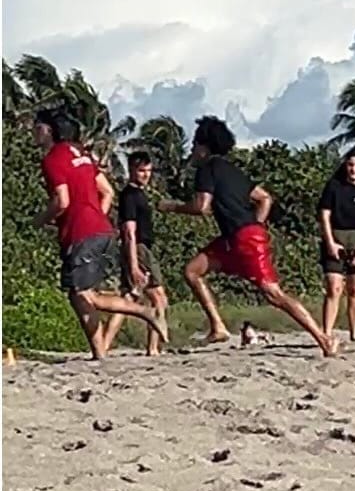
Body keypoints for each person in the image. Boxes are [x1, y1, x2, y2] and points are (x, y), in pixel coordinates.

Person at [158, 115, 338, 357]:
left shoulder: (206, 169)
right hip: (234, 238)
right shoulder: (233, 171)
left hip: (245, 238)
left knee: (274, 294)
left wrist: (172, 206)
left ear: (204, 148)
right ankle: (218, 327)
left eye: (194, 145)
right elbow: (264, 198)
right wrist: (257, 225)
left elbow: (201, 207)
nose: (192, 150)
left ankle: (323, 339)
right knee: (192, 271)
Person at [33, 109, 168, 360]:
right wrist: (95, 217)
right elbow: (107, 192)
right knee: (81, 294)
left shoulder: (52, 159)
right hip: (102, 230)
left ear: (48, 130)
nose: (34, 131)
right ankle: (99, 353)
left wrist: (39, 220)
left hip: (82, 234)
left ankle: (144, 313)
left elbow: (62, 200)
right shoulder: (83, 155)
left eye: (37, 127)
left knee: (84, 294)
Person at [102, 152, 170, 356]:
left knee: (129, 297)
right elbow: (129, 231)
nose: (146, 175)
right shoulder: (130, 195)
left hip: (138, 247)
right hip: (138, 248)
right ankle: (153, 348)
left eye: (148, 171)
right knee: (158, 297)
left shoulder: (138, 194)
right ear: (131, 170)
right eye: (141, 170)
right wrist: (133, 265)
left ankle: (104, 344)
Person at [317, 149, 355, 341]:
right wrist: (330, 242)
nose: (354, 169)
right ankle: (327, 333)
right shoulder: (333, 187)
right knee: (333, 287)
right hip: (336, 235)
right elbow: (324, 215)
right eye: (351, 165)